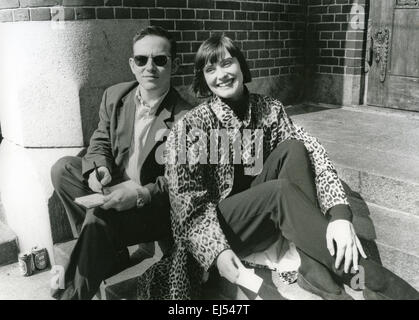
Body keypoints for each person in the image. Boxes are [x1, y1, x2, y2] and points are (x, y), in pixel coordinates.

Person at [137, 34, 419, 300]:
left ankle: (313, 265)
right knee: (278, 192)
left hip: (261, 215)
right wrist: (218, 253)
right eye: (211, 70)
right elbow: (187, 206)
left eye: (227, 63)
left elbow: (313, 153)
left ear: (241, 65)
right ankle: (374, 279)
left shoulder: (269, 109)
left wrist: (340, 216)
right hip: (217, 231)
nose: (221, 75)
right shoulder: (192, 126)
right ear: (203, 79)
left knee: (294, 149)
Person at [50, 26, 192, 300]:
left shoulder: (187, 116)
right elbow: (100, 139)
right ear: (132, 64)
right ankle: (107, 249)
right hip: (113, 185)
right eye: (141, 59)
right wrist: (97, 169)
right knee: (63, 169)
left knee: (99, 216)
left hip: (152, 206)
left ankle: (69, 295)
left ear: (174, 63)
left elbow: (179, 181)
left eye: (159, 59)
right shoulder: (115, 96)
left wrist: (140, 194)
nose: (149, 67)